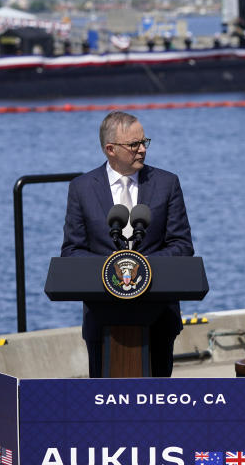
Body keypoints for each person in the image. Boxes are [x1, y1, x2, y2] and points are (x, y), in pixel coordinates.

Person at [61, 111, 194, 377]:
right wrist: (114, 269)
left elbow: (182, 245)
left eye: (145, 142)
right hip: (102, 316)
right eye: (134, 144)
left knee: (155, 405)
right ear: (110, 149)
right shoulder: (82, 188)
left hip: (158, 315)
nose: (142, 149)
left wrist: (141, 268)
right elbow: (71, 251)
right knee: (107, 407)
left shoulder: (166, 183)